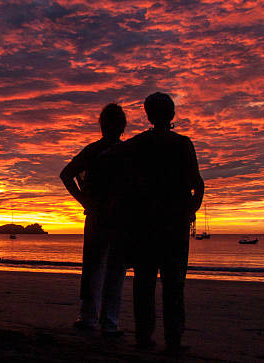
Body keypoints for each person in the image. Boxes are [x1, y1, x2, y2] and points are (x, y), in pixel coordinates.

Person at [123, 92, 204, 352]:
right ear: (171, 115)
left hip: (146, 225)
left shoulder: (136, 145)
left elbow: (124, 181)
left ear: (148, 115)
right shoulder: (182, 144)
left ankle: (144, 336)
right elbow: (197, 185)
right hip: (171, 225)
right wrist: (190, 211)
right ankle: (173, 338)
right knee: (173, 283)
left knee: (144, 283)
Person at [60, 103, 128, 335]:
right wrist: (84, 201)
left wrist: (84, 200)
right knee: (107, 268)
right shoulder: (120, 151)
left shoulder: (103, 151)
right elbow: (67, 174)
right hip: (108, 216)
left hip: (109, 216)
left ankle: (96, 318)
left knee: (101, 267)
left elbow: (67, 174)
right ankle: (104, 320)